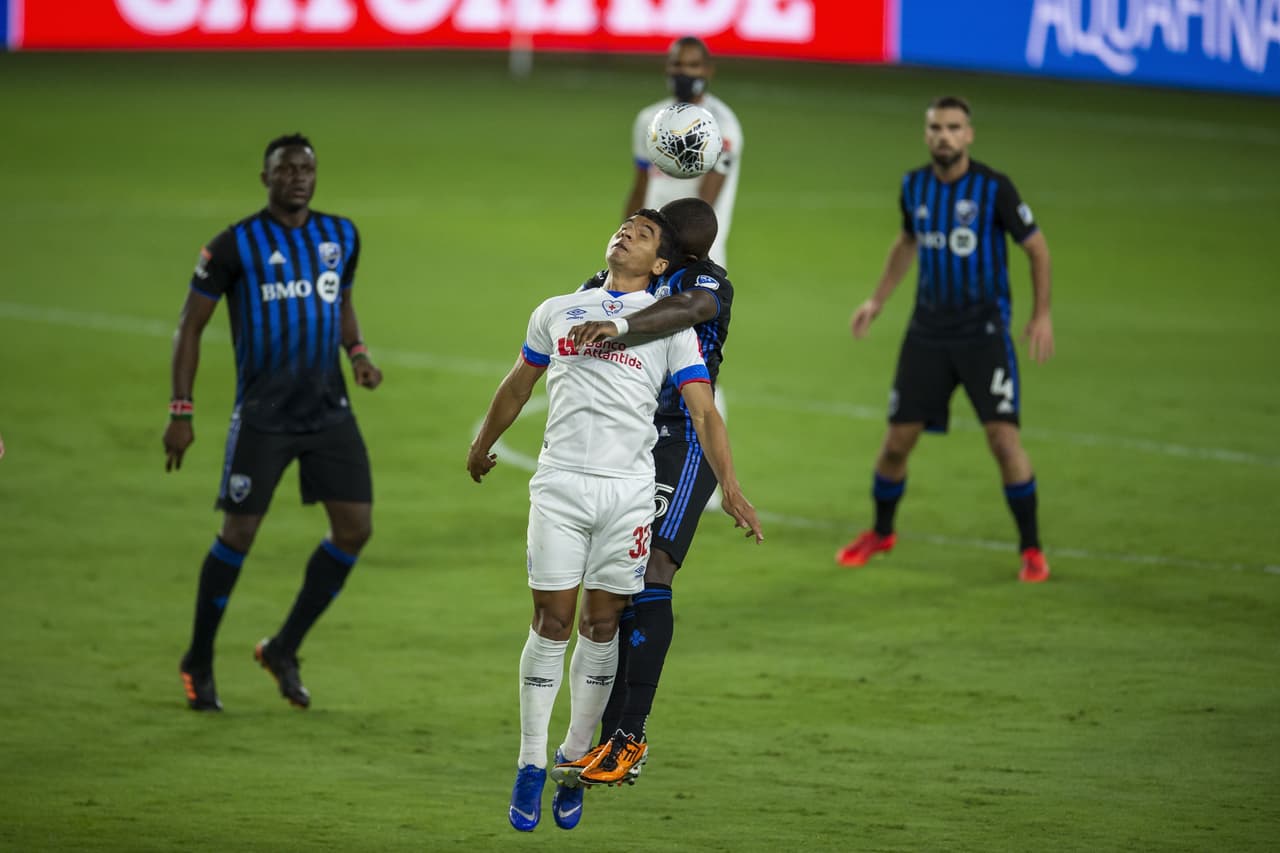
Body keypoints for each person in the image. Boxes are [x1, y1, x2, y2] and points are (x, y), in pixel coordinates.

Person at [466, 209, 762, 832]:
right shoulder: (559, 308)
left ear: (662, 263)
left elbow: (704, 414)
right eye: (624, 225)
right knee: (550, 621)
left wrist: (730, 487)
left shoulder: (672, 323)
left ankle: (575, 759)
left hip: (627, 493)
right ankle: (528, 763)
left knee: (603, 626)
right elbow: (520, 381)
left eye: (645, 232)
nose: (626, 232)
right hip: (559, 487)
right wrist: (482, 441)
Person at [166, 133, 383, 712]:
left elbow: (339, 301)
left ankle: (283, 648)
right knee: (237, 535)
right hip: (264, 417)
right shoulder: (234, 245)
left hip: (328, 411)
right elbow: (190, 326)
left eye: (306, 168)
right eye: (285, 169)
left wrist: (357, 352)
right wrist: (181, 410)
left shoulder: (341, 235)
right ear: (265, 178)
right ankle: (199, 657)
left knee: (355, 529)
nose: (297, 177)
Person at [553, 197, 735, 787]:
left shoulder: (707, 284)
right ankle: (601, 737)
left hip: (682, 442)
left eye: (653, 229)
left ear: (677, 251)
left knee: (655, 571)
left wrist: (621, 324)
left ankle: (631, 735)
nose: (637, 231)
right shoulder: (610, 283)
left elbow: (689, 309)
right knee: (616, 584)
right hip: (624, 446)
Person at [837, 96, 1055, 583]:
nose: (944, 136)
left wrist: (1041, 315)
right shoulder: (914, 186)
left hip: (984, 335)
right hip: (927, 334)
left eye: (954, 127)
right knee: (896, 443)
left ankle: (1032, 548)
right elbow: (907, 241)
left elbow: (1037, 249)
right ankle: (882, 531)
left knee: (1003, 440)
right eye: (936, 127)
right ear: (926, 133)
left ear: (969, 135)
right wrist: (877, 301)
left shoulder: (993, 188)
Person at [626, 36, 743, 266]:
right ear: (667, 68)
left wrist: (670, 250)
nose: (684, 72)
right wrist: (627, 237)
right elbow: (640, 187)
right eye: (677, 64)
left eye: (693, 65)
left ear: (708, 70)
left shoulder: (721, 126)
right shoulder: (650, 120)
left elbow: (703, 204)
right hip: (649, 246)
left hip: (697, 252)